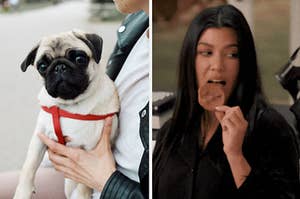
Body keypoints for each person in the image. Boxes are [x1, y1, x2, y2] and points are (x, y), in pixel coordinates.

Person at [0, 0, 149, 198]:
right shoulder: (136, 26)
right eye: (45, 67)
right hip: (69, 171)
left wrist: (106, 180)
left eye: (78, 59)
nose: (61, 70)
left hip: (106, 185)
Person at [153, 4, 300, 199]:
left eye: (232, 54)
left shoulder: (271, 130)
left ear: (244, 62)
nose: (217, 66)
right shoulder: (170, 132)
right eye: (206, 53)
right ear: (191, 60)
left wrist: (235, 155)